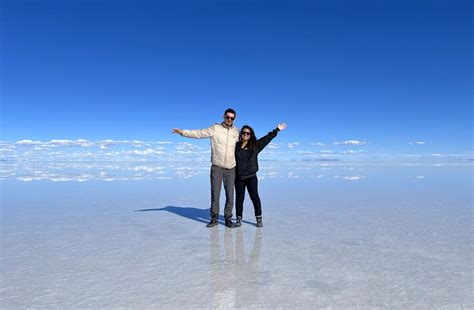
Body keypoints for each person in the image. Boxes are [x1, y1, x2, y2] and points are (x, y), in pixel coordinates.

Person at [172, 108, 240, 228]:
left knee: (230, 194)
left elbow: (246, 145)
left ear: (234, 119)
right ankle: (214, 218)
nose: (229, 119)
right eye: (227, 117)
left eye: (232, 118)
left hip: (231, 169)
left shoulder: (237, 132)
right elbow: (199, 133)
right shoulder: (215, 128)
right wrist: (183, 132)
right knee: (215, 194)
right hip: (217, 167)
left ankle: (228, 218)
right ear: (223, 117)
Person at [234, 123, 287, 227]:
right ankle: (239, 218)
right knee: (239, 199)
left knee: (255, 197)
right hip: (239, 177)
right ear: (241, 134)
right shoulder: (236, 146)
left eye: (248, 133)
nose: (245, 134)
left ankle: (259, 218)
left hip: (251, 177)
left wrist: (277, 130)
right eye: (244, 132)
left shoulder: (255, 145)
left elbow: (267, 138)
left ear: (251, 135)